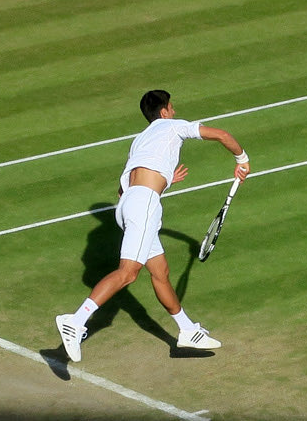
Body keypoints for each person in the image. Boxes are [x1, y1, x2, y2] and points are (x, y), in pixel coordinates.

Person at [55, 90, 250, 362]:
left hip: (128, 205)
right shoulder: (175, 126)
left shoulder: (141, 140)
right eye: (172, 107)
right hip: (144, 204)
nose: (174, 110)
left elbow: (127, 188)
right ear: (165, 110)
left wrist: (166, 180)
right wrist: (242, 160)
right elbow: (222, 135)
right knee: (128, 273)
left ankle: (187, 330)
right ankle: (75, 321)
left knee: (160, 272)